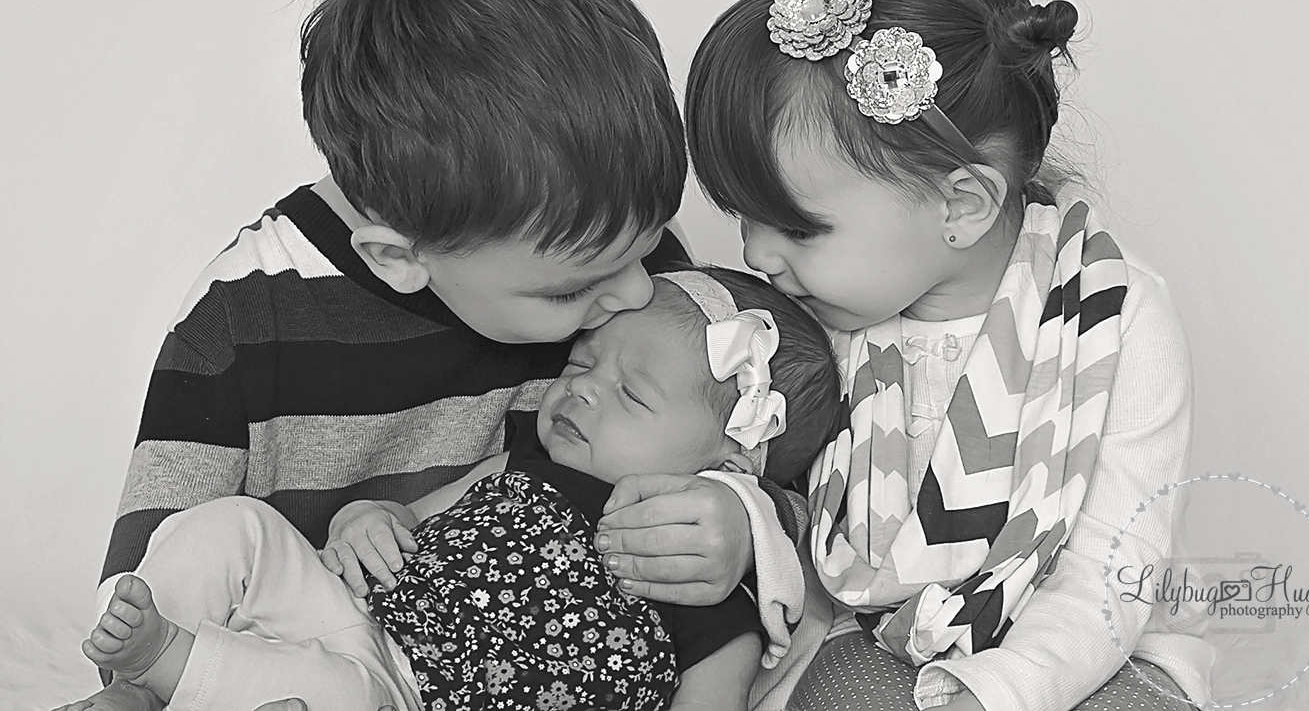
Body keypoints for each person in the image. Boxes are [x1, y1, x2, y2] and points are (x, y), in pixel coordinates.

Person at [76, 0, 795, 711]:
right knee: (221, 533)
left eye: (648, 246)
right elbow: (148, 576)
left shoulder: (612, 255)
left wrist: (747, 525)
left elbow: (767, 445)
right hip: (304, 631)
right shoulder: (244, 313)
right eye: (571, 291)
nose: (634, 293)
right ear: (400, 256)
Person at [683, 0, 1214, 711]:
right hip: (880, 637)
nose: (756, 254)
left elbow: (1111, 571)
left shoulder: (1113, 320)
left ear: (961, 204)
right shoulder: (802, 321)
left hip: (1089, 646)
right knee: (841, 693)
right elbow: (746, 467)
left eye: (797, 227)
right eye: (745, 216)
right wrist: (734, 513)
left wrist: (996, 691)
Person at [61, 269, 845, 711]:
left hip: (411, 702)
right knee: (236, 524)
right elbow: (410, 513)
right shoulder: (526, 461)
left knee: (337, 695)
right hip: (359, 615)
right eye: (581, 362)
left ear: (729, 465)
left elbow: (717, 692)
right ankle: (138, 683)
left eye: (631, 393)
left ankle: (165, 661)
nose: (582, 388)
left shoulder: (695, 574)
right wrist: (366, 516)